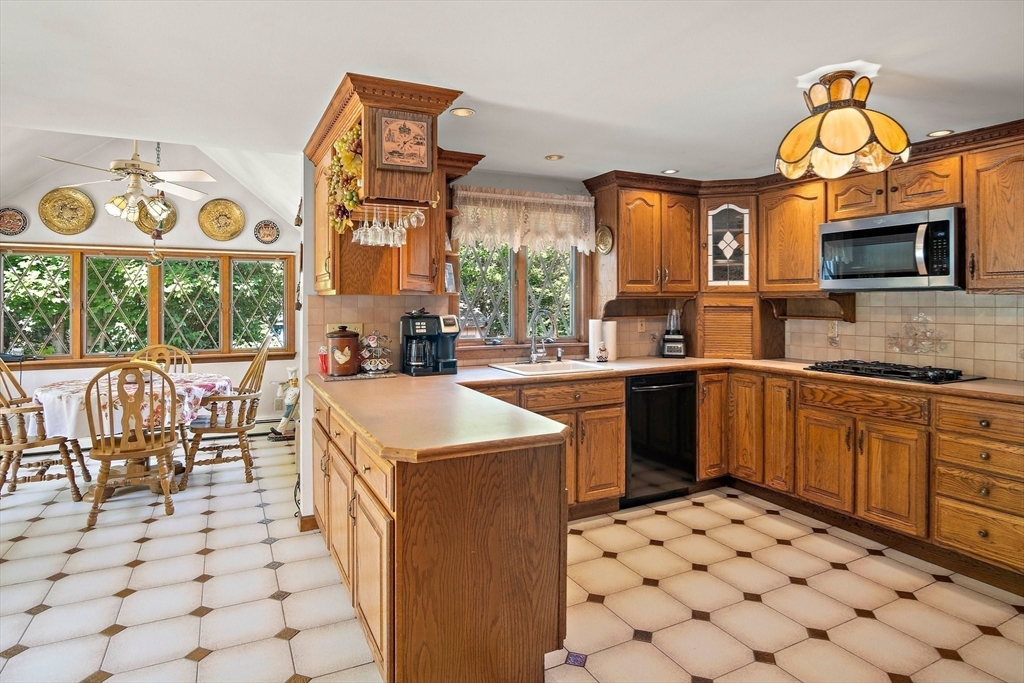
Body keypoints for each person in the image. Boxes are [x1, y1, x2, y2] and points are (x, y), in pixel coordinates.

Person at [269, 367, 300, 440]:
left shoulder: (297, 389)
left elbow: (300, 396)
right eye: (292, 381)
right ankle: (299, 427)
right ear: (289, 382)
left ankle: (279, 430)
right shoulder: (288, 389)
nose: (293, 382)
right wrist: (280, 386)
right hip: (288, 406)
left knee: (285, 418)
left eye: (295, 381)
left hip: (294, 406)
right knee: (297, 418)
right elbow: (280, 395)